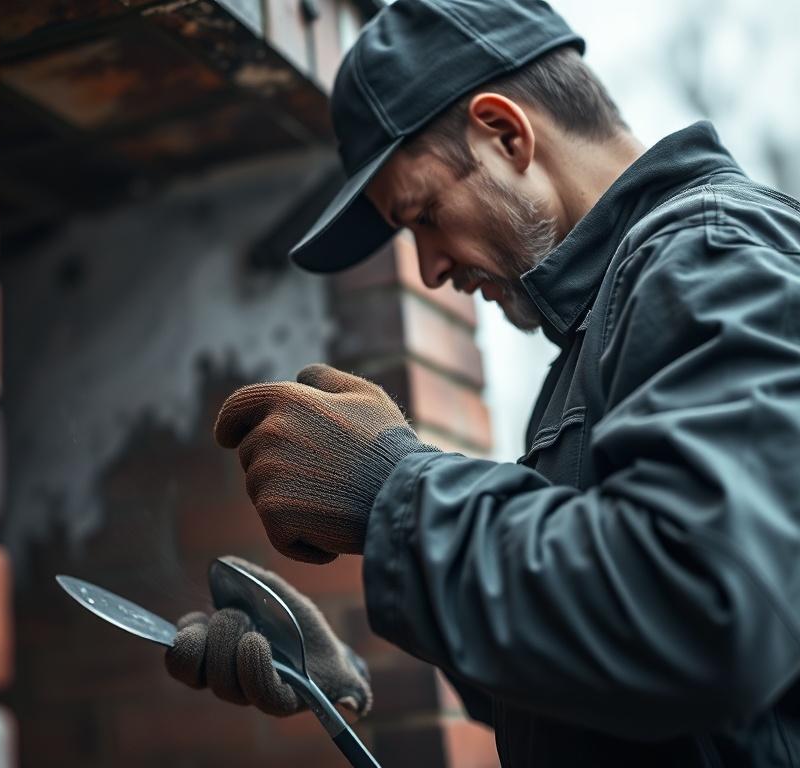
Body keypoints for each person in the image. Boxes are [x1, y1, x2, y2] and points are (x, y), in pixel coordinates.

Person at [163, 1, 800, 765]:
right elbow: (622, 674)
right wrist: (339, 678)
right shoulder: (601, 333)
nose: (431, 268)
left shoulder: (713, 257)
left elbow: (702, 614)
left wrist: (393, 492)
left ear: (505, 132)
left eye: (425, 213)